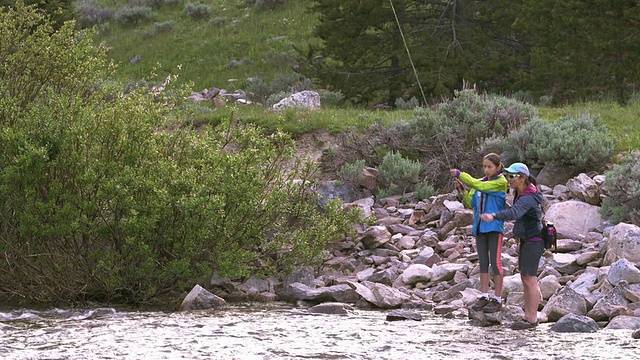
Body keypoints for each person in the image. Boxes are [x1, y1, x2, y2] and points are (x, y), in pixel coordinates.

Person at [479, 162, 543, 330]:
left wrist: (493, 215)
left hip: (534, 241)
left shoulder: (528, 197)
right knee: (525, 278)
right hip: (527, 240)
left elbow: (514, 213)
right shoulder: (521, 193)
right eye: (507, 175)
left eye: (512, 176)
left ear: (522, 178)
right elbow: (515, 209)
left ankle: (531, 318)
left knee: (530, 280)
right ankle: (528, 316)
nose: (508, 179)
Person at [450, 153, 507, 313]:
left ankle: (497, 299)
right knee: (483, 262)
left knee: (495, 262)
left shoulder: (500, 182)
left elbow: (480, 187)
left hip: (494, 227)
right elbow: (471, 203)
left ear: (497, 167)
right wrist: (462, 189)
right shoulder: (480, 183)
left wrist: (461, 175)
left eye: (489, 167)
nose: (486, 170)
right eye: (484, 167)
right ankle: (484, 295)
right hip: (480, 227)